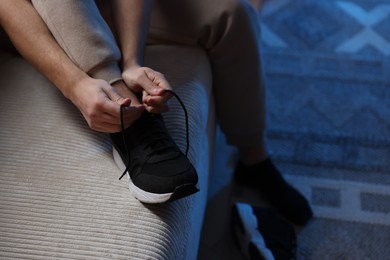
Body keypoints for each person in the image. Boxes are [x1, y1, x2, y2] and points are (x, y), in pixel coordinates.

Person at [0, 0, 312, 225]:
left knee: (233, 13)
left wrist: (133, 60)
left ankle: (254, 158)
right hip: (33, 14)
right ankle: (129, 118)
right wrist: (75, 83)